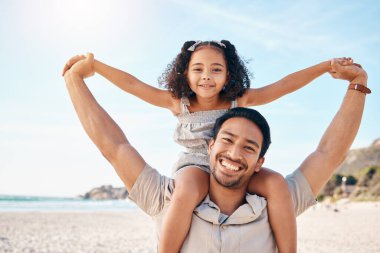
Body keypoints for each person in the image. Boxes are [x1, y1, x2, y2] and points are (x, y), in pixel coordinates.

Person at [62, 40, 354, 253]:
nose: (206, 76)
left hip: (237, 169)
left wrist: (325, 67)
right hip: (194, 166)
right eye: (198, 69)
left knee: (277, 183)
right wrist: (95, 67)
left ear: (229, 75)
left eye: (216, 69)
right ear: (184, 74)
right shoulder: (179, 103)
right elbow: (133, 85)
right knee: (187, 189)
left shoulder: (240, 100)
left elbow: (284, 85)